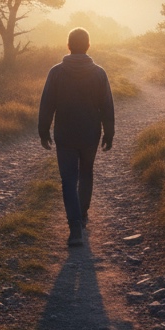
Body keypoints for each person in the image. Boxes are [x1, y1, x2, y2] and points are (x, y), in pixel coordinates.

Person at [38, 27, 114, 247]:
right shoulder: (99, 73)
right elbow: (107, 106)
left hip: (65, 134)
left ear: (68, 46)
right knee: (86, 174)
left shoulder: (56, 72)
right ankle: (82, 215)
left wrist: (43, 131)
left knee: (68, 181)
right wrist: (109, 133)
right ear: (88, 46)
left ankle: (75, 228)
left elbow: (47, 104)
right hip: (90, 134)